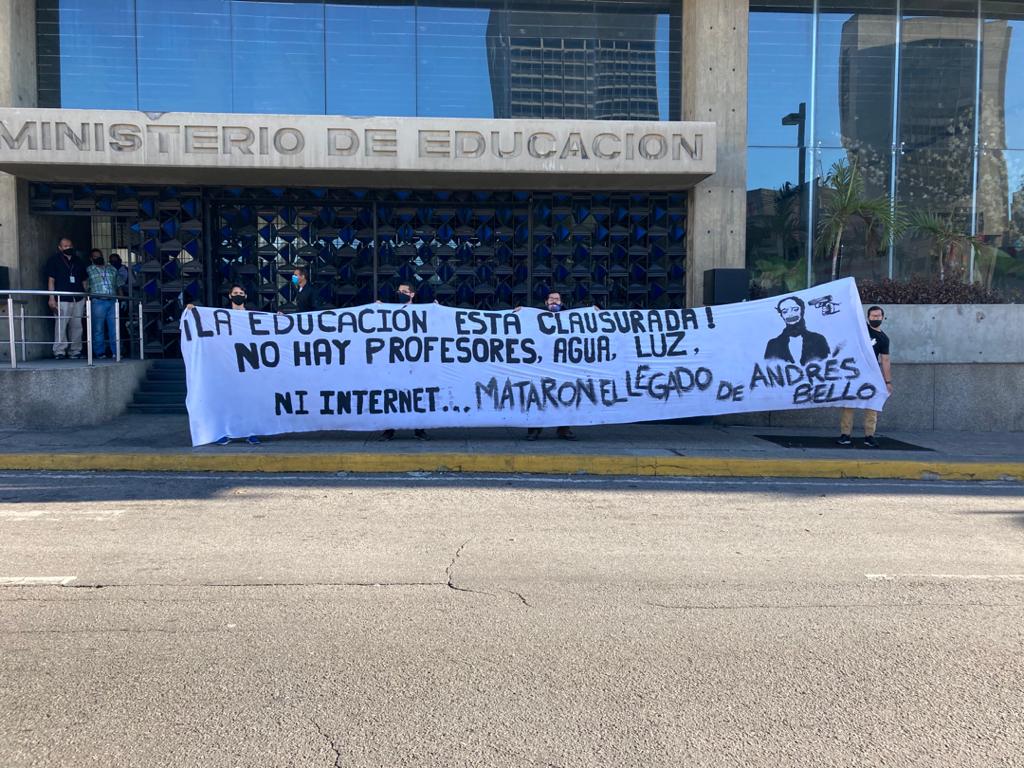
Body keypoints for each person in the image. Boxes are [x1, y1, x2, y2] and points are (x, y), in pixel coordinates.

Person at [186, 285, 262, 446]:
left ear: (246, 296)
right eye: (235, 293)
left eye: (241, 293)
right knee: (226, 400)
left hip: (248, 365)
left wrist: (279, 318)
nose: (238, 295)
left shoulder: (252, 316)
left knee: (249, 401)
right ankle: (223, 432)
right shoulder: (220, 317)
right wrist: (193, 310)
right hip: (226, 366)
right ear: (230, 296)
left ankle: (250, 432)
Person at [518, 291, 577, 441]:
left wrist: (595, 309)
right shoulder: (535, 316)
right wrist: (520, 312)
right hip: (540, 364)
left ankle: (563, 429)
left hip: (562, 364)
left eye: (557, 299)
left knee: (564, 396)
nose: (554, 301)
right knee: (537, 397)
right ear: (546, 302)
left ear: (561, 302)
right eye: (551, 299)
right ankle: (534, 430)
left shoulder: (570, 316)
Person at [379, 283, 429, 441]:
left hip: (416, 363)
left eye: (404, 292)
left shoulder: (423, 311)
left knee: (418, 395)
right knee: (391, 395)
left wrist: (438, 311)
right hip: (395, 362)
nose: (400, 294)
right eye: (398, 291)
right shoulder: (390, 311)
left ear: (412, 294)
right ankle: (389, 430)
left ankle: (419, 429)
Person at [838, 305, 892, 449]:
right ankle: (845, 435)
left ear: (882, 317)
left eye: (878, 316)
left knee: (872, 405)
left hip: (872, 375)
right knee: (849, 404)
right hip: (853, 373)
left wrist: (888, 381)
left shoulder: (884, 338)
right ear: (868, 317)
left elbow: (885, 360)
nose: (876, 318)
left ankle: (869, 436)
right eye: (873, 316)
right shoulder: (860, 330)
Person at [45, 237, 89, 360]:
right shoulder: (53, 260)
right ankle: (59, 351)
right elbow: (51, 280)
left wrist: (85, 298)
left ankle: (75, 351)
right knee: (61, 325)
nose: (68, 248)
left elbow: (84, 280)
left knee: (77, 326)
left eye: (70, 245)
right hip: (62, 298)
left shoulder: (78, 261)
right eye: (65, 246)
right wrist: (51, 298)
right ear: (60, 248)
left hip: (78, 298)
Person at [763, 295, 830, 365]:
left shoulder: (818, 339)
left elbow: (826, 363)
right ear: (781, 315)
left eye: (795, 309)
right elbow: (768, 367)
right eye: (785, 311)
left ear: (802, 310)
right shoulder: (773, 344)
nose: (790, 314)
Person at [86, 249, 123, 360]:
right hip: (97, 301)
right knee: (98, 329)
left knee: (114, 328)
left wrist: (122, 300)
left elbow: (119, 285)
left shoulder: (112, 269)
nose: (98, 257)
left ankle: (116, 351)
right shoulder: (88, 270)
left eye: (100, 255)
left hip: (112, 301)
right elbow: (85, 286)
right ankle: (99, 352)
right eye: (95, 256)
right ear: (91, 259)